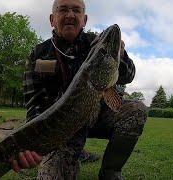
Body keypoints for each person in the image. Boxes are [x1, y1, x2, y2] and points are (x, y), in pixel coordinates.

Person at [13, 0, 147, 179]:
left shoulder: (97, 43)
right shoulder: (38, 54)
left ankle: (111, 172)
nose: (70, 15)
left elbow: (128, 75)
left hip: (99, 116)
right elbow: (34, 104)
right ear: (52, 19)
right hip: (64, 128)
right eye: (63, 10)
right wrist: (33, 143)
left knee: (136, 110)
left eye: (76, 10)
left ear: (84, 20)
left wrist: (120, 55)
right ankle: (74, 152)